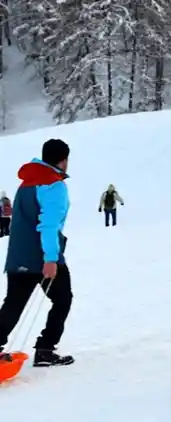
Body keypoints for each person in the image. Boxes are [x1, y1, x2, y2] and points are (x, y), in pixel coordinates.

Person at [0, 138, 74, 367]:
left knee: (13, 303)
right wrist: (51, 259)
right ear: (63, 161)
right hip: (43, 255)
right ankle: (45, 349)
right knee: (62, 299)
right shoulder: (53, 185)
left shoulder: (26, 183)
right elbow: (49, 225)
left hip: (19, 255)